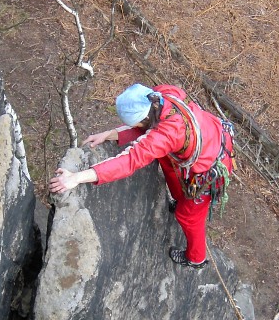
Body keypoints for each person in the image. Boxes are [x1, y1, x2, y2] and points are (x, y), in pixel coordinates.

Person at [49, 83, 234, 269]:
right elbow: (147, 128)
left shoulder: (168, 134)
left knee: (188, 216)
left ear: (144, 119)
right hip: (214, 136)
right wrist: (109, 134)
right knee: (165, 159)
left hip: (212, 168)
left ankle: (196, 259)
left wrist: (76, 178)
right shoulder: (161, 94)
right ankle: (180, 197)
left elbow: (130, 160)